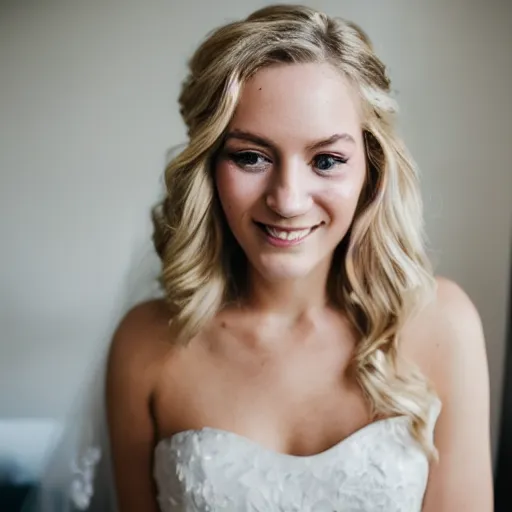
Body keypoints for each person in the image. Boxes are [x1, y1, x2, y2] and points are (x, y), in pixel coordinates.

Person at [106, 4, 493, 511]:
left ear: (370, 171)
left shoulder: (443, 324)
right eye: (251, 156)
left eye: (327, 160)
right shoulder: (146, 345)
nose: (287, 200)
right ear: (209, 166)